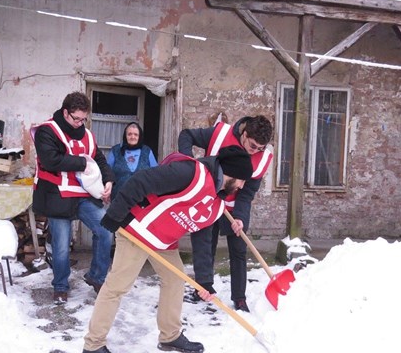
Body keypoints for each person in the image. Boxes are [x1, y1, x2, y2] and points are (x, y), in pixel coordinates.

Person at [82, 146, 253, 353]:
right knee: (117, 286)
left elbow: (203, 241)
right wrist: (115, 214)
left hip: (163, 241)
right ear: (232, 173)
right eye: (243, 180)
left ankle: (170, 336)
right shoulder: (190, 173)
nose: (243, 187)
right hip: (137, 231)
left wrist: (204, 283)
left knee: (175, 279)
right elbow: (141, 180)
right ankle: (93, 344)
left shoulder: (217, 202)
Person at [178, 115, 273, 312]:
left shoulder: (262, 158)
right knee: (206, 244)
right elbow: (186, 135)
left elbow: (246, 193)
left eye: (261, 148)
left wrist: (240, 218)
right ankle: (203, 287)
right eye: (253, 146)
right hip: (209, 199)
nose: (255, 151)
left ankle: (239, 298)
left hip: (234, 205)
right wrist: (189, 164)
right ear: (244, 134)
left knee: (239, 249)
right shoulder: (220, 134)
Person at [32, 92, 115, 304]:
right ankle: (60, 286)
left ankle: (97, 277)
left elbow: (100, 159)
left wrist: (108, 180)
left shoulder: (87, 135)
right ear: (65, 112)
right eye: (76, 118)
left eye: (83, 119)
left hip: (83, 197)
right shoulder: (46, 131)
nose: (79, 123)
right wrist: (82, 163)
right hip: (57, 196)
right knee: (60, 246)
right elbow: (51, 160)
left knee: (105, 230)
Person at [107, 122, 158, 199]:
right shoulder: (116, 150)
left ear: (139, 136)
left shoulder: (147, 151)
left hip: (142, 199)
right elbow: (107, 172)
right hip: (118, 199)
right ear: (125, 136)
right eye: (129, 134)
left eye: (136, 134)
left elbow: (155, 173)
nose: (132, 137)